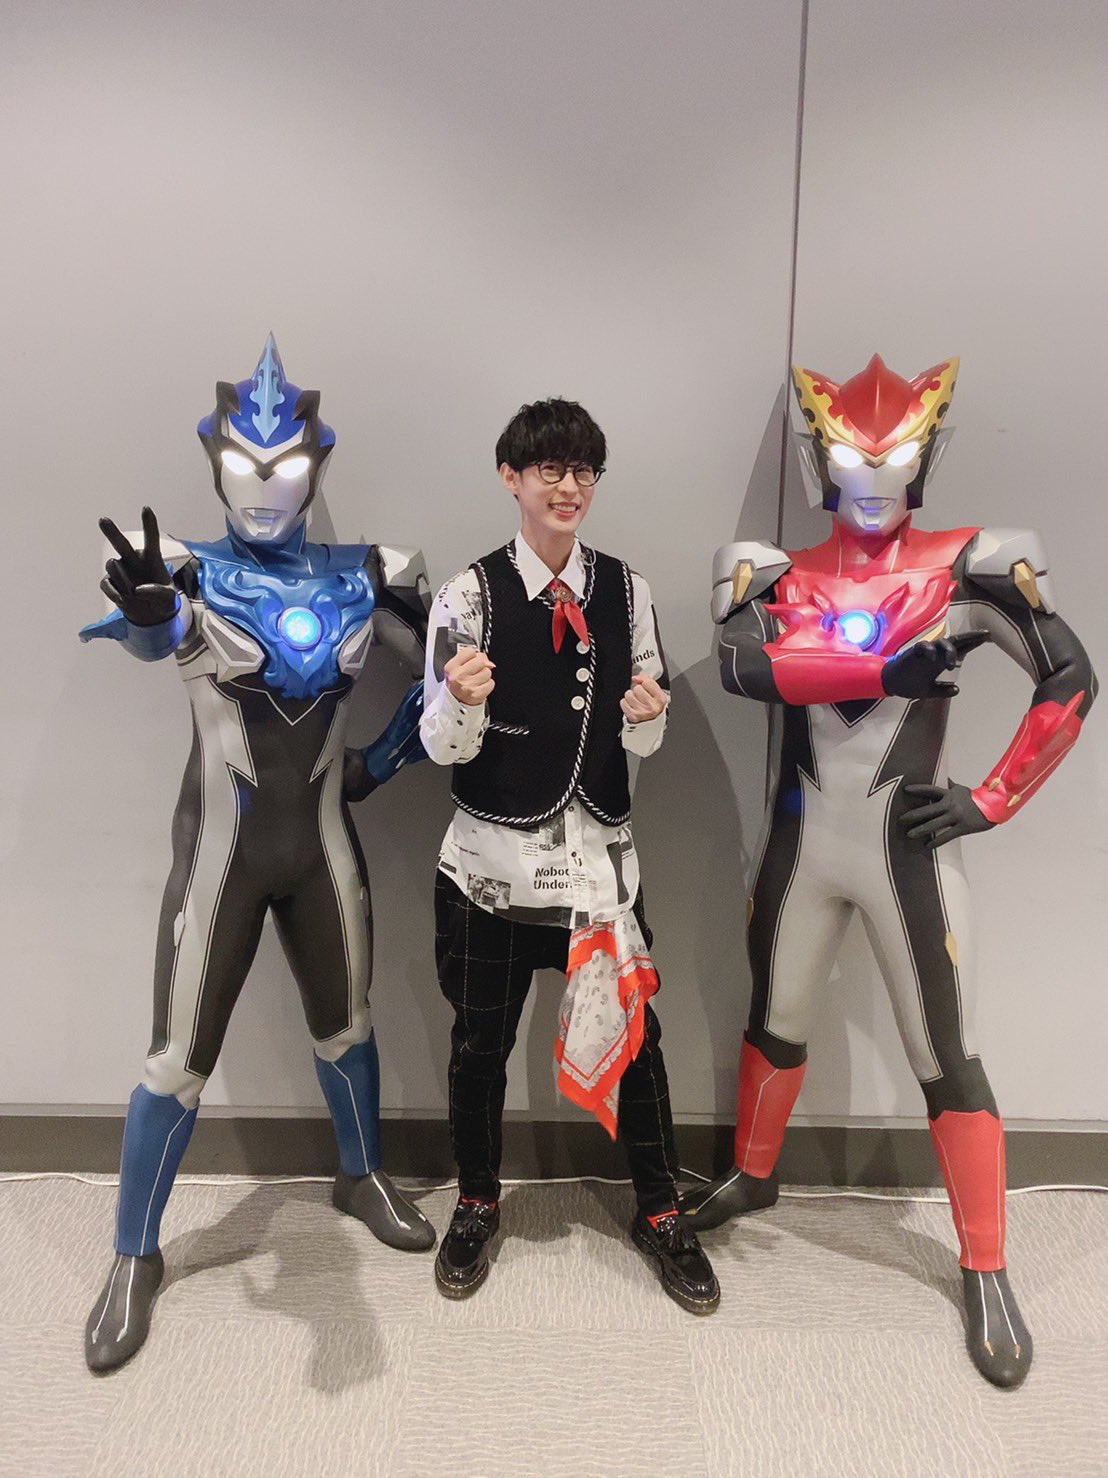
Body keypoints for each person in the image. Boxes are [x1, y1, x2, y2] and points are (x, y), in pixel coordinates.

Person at [680, 353, 1096, 1388]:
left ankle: (986, 1263)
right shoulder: (771, 570)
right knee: (775, 1017)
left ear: (925, 454)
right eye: (852, 456)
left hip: (904, 849)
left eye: (895, 455)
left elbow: (1069, 677)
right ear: (820, 458)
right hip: (801, 843)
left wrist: (991, 798)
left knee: (946, 1053)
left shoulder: (971, 565)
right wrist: (881, 665)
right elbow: (740, 666)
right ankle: (753, 1174)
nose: (873, 475)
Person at [79, 336, 436, 1373]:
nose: (264, 486)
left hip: (321, 844)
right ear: (216, 463)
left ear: (314, 466)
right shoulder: (181, 569)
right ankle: (134, 1253)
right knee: (176, 1061)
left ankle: (360, 1174)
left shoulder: (371, 572)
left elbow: (456, 665)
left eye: (284, 467)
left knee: (347, 1024)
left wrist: (384, 760)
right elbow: (153, 633)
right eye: (244, 465)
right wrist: (152, 619)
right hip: (221, 857)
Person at [419, 397, 719, 1313]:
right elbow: (440, 746)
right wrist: (463, 700)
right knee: (480, 1047)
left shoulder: (627, 592)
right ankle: (477, 1200)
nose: (569, 486)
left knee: (638, 1045)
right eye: (549, 468)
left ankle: (660, 1211)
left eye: (583, 470)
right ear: (510, 477)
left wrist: (650, 719)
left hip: (597, 873)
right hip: (490, 874)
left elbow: (642, 739)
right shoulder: (466, 597)